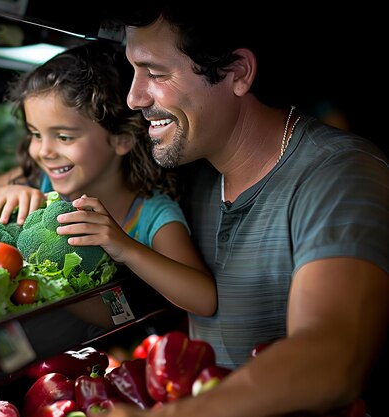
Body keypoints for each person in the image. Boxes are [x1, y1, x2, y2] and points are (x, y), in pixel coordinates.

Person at [87, 4, 389, 417]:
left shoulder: (339, 173)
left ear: (239, 73)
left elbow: (332, 359)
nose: (134, 97)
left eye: (155, 73)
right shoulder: (193, 172)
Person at [0, 41, 216, 316]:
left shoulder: (151, 214)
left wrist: (124, 247)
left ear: (121, 139)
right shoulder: (42, 181)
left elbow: (204, 299)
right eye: (36, 135)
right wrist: (5, 193)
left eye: (64, 137)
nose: (44, 151)